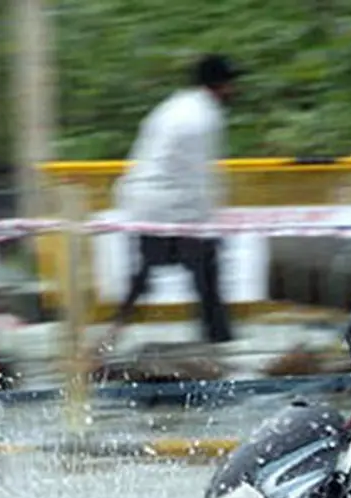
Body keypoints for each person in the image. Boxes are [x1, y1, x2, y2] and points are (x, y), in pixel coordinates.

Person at [94, 54, 241, 357]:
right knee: (207, 277)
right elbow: (201, 176)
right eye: (231, 84)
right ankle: (223, 349)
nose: (234, 91)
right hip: (171, 207)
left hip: (144, 203)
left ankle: (109, 338)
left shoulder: (174, 106)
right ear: (219, 85)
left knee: (147, 276)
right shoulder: (204, 117)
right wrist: (209, 223)